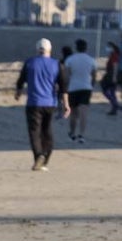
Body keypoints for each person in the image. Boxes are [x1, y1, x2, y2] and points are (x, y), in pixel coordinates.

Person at [14, 38, 70, 171]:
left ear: (37, 49)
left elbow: (20, 81)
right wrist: (66, 105)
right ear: (49, 50)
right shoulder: (57, 65)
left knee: (34, 132)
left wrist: (18, 93)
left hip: (33, 103)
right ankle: (45, 157)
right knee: (47, 131)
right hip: (50, 103)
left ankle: (39, 155)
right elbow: (63, 87)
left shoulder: (30, 63)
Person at [64, 38, 96, 143]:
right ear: (86, 48)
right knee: (84, 113)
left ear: (76, 48)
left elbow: (67, 76)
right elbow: (94, 75)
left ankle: (72, 133)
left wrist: (65, 89)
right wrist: (91, 86)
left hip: (73, 88)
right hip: (86, 88)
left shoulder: (70, 60)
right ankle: (81, 135)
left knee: (73, 113)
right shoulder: (91, 60)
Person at [101, 42, 120, 116]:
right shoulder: (113, 54)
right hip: (111, 74)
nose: (107, 48)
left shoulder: (114, 55)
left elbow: (115, 66)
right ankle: (114, 109)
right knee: (112, 92)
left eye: (108, 47)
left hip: (111, 75)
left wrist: (114, 77)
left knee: (105, 90)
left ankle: (116, 105)